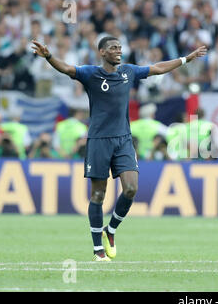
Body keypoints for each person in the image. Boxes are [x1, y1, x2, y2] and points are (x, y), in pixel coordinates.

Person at [31, 36, 207, 261]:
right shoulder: (90, 73)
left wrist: (185, 59)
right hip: (98, 140)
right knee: (98, 194)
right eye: (113, 48)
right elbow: (66, 68)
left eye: (120, 48)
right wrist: (48, 56)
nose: (118, 51)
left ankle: (110, 229)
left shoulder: (128, 71)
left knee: (131, 188)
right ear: (102, 52)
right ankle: (98, 250)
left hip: (123, 139)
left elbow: (157, 68)